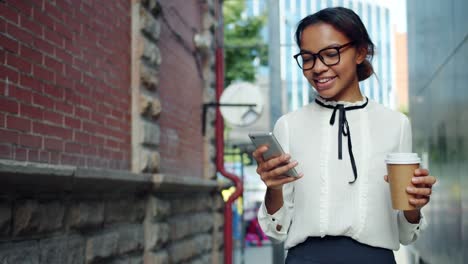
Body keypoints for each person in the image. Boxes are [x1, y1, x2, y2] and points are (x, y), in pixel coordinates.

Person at [252, 7, 437, 264]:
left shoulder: (396, 124)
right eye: (307, 58)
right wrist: (273, 188)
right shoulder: (289, 126)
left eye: (330, 54)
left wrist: (414, 206)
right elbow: (276, 230)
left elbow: (406, 234)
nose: (317, 68)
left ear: (360, 52)